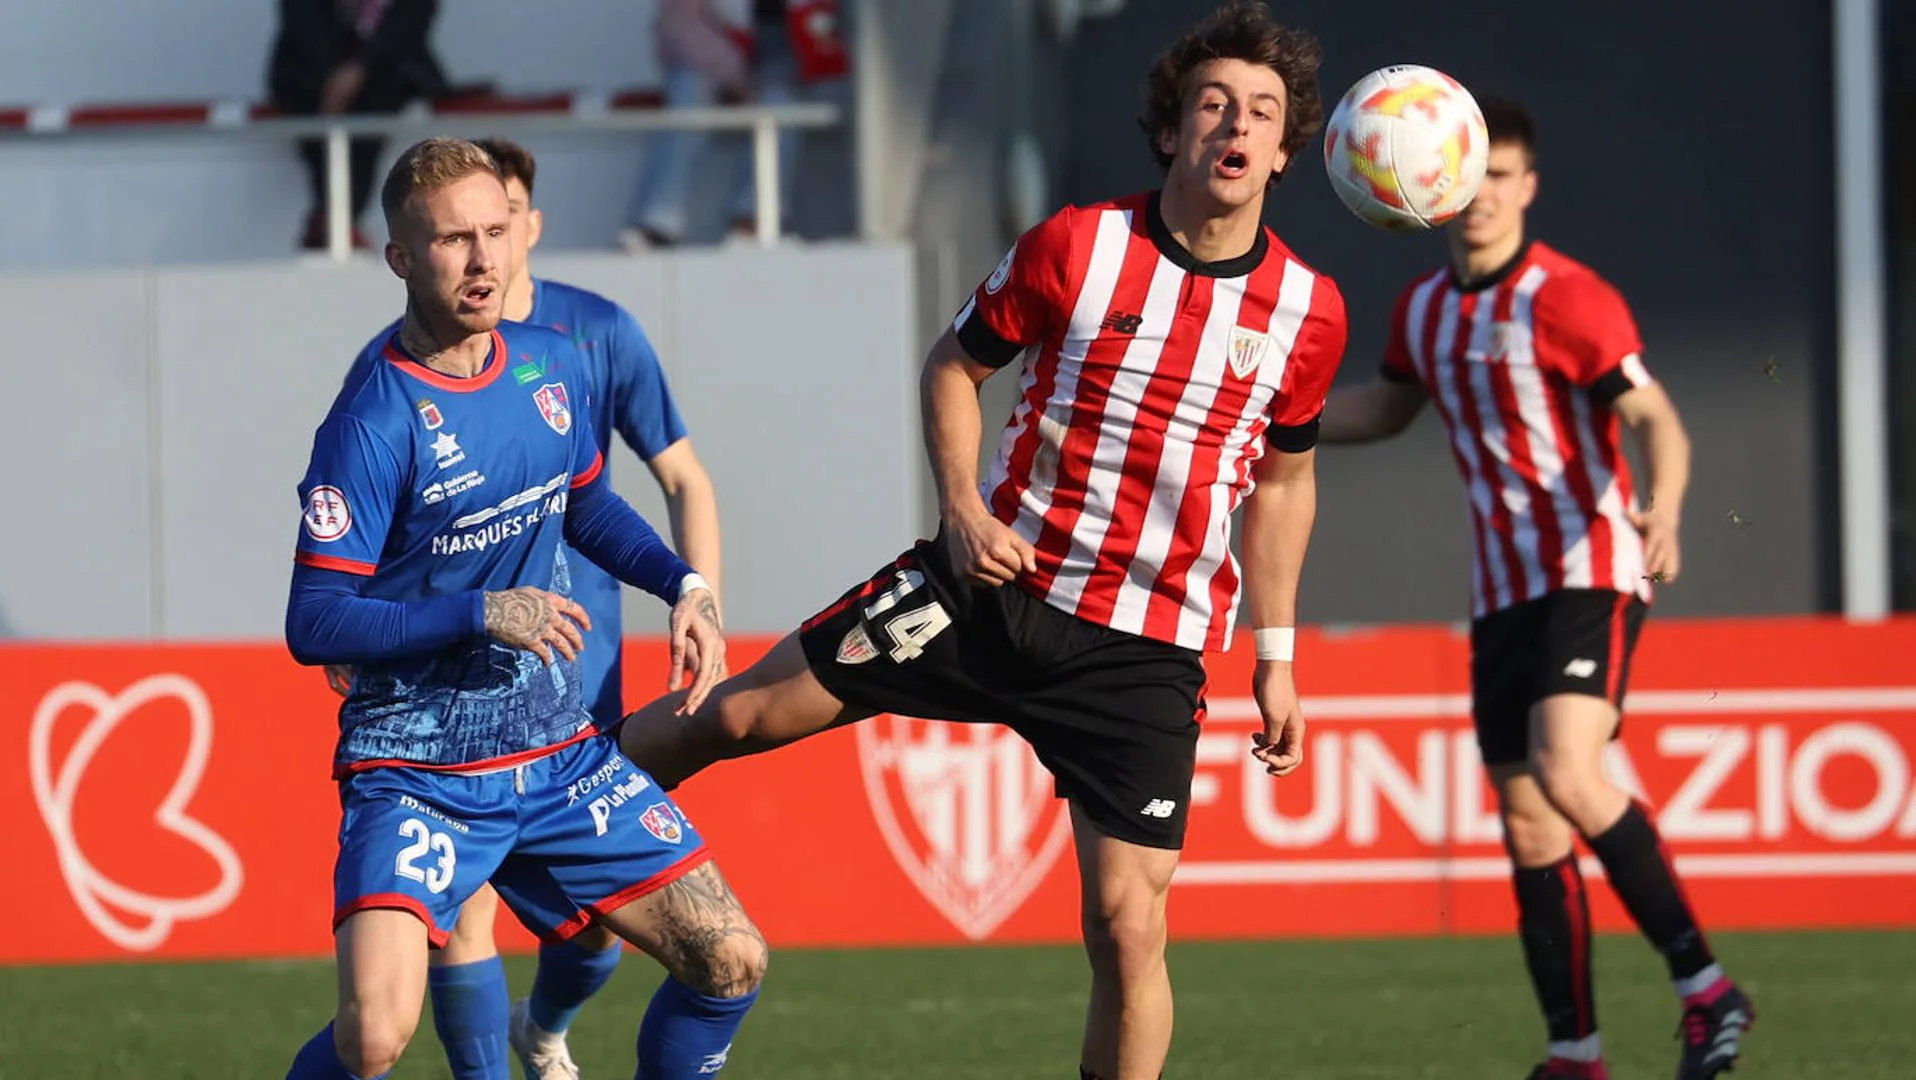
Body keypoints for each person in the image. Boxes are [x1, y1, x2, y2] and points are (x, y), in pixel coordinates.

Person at [617, 5, 1344, 1078]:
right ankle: (537, 805)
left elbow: (1283, 485)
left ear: (1282, 152)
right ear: (1169, 130)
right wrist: (961, 507)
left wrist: (1276, 659)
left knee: (1126, 926)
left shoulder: (1307, 312)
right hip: (984, 588)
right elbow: (953, 367)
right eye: (1211, 103)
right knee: (737, 713)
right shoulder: (1076, 246)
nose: (1233, 124)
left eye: (1261, 112)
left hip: (1141, 650)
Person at [283, 137, 765, 1080]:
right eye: (454, 240)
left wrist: (683, 586)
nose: (482, 259)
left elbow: (585, 500)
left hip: (554, 743)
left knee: (731, 958)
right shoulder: (372, 419)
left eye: (495, 232)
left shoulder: (548, 362)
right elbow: (315, 622)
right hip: (417, 760)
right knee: (374, 1037)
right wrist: (478, 613)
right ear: (402, 259)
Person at [1317, 98, 1752, 1080]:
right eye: (1473, 174)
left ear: (1527, 186)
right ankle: (1573, 1054)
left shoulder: (1565, 297)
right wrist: (1269, 427)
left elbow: (1655, 418)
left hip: (1589, 563)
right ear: (1443, 180)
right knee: (1527, 823)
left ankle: (1705, 989)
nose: (1485, 194)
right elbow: (1386, 409)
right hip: (1500, 591)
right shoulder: (1421, 309)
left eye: (1504, 175)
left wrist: (1666, 508)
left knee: (1567, 769)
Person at [618, 0, 848, 249]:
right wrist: (739, 77)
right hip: (718, 60)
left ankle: (754, 218)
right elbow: (679, 29)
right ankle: (657, 221)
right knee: (689, 94)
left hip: (791, 64)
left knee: (781, 100)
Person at [267, 0, 451, 251]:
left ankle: (338, 218)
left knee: (371, 112)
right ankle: (334, 218)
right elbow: (303, 25)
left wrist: (358, 71)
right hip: (309, 79)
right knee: (319, 119)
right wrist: (332, 79)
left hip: (387, 76)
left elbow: (408, 25)